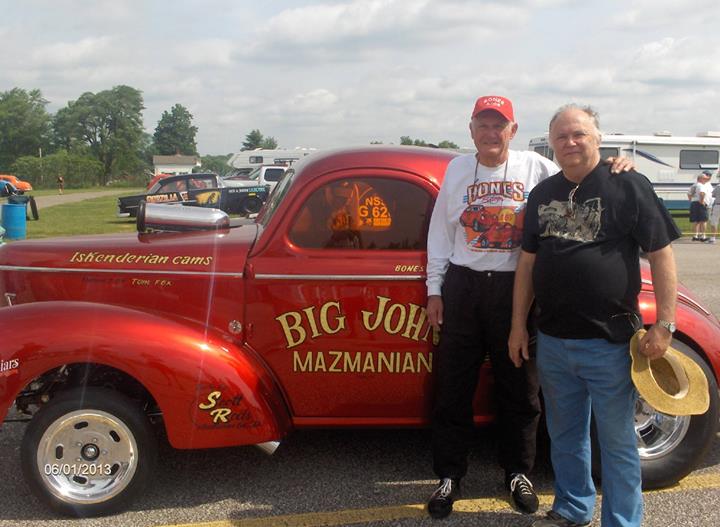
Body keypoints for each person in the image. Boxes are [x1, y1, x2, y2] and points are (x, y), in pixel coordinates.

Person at [424, 95, 632, 519]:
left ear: (513, 130)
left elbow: (579, 177)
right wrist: (435, 289)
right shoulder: (457, 169)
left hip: (515, 288)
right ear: (471, 129)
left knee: (519, 386)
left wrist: (617, 166)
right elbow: (441, 232)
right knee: (453, 384)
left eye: (499, 125)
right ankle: (449, 475)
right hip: (463, 286)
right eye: (483, 124)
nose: (491, 132)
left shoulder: (535, 167)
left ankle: (517, 472)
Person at [509, 104, 680, 527]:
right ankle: (572, 508)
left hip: (610, 343)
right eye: (562, 136)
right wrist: (517, 326)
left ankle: (623, 521)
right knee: (565, 437)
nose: (570, 142)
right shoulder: (543, 194)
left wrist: (665, 324)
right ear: (552, 143)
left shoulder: (629, 184)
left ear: (598, 138)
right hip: (552, 340)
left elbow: (661, 254)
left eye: (579, 134)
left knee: (618, 442)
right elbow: (527, 264)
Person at [687, 171, 713, 241]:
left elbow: (689, 194)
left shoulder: (694, 185)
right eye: (705, 179)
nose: (706, 180)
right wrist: (702, 202)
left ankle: (695, 236)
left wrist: (691, 200)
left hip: (694, 203)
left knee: (696, 221)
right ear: (701, 179)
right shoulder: (701, 185)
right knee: (704, 220)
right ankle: (703, 236)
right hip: (700, 204)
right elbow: (702, 194)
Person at [708, 171, 720, 244]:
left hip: (718, 205)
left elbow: (713, 195)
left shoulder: (718, 186)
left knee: (714, 221)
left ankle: (713, 238)